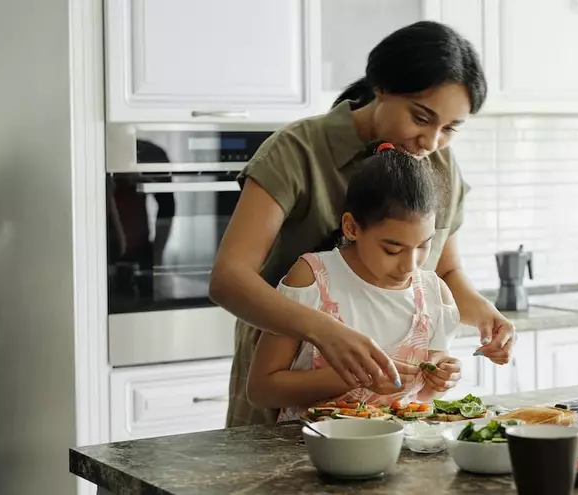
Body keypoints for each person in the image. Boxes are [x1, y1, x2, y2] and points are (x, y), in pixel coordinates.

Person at [210, 20, 516, 427]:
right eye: (421, 117)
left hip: (388, 414)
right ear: (382, 87)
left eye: (449, 129)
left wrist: (485, 316)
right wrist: (325, 332)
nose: (431, 141)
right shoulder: (297, 150)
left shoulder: (439, 164)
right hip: (284, 393)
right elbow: (229, 278)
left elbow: (444, 271)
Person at [246, 143, 463, 421]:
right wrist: (353, 377)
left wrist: (442, 379)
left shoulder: (434, 294)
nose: (410, 265)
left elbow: (425, 397)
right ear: (351, 227)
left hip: (400, 452)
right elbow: (262, 390)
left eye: (424, 246)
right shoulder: (313, 279)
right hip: (310, 451)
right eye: (393, 249)